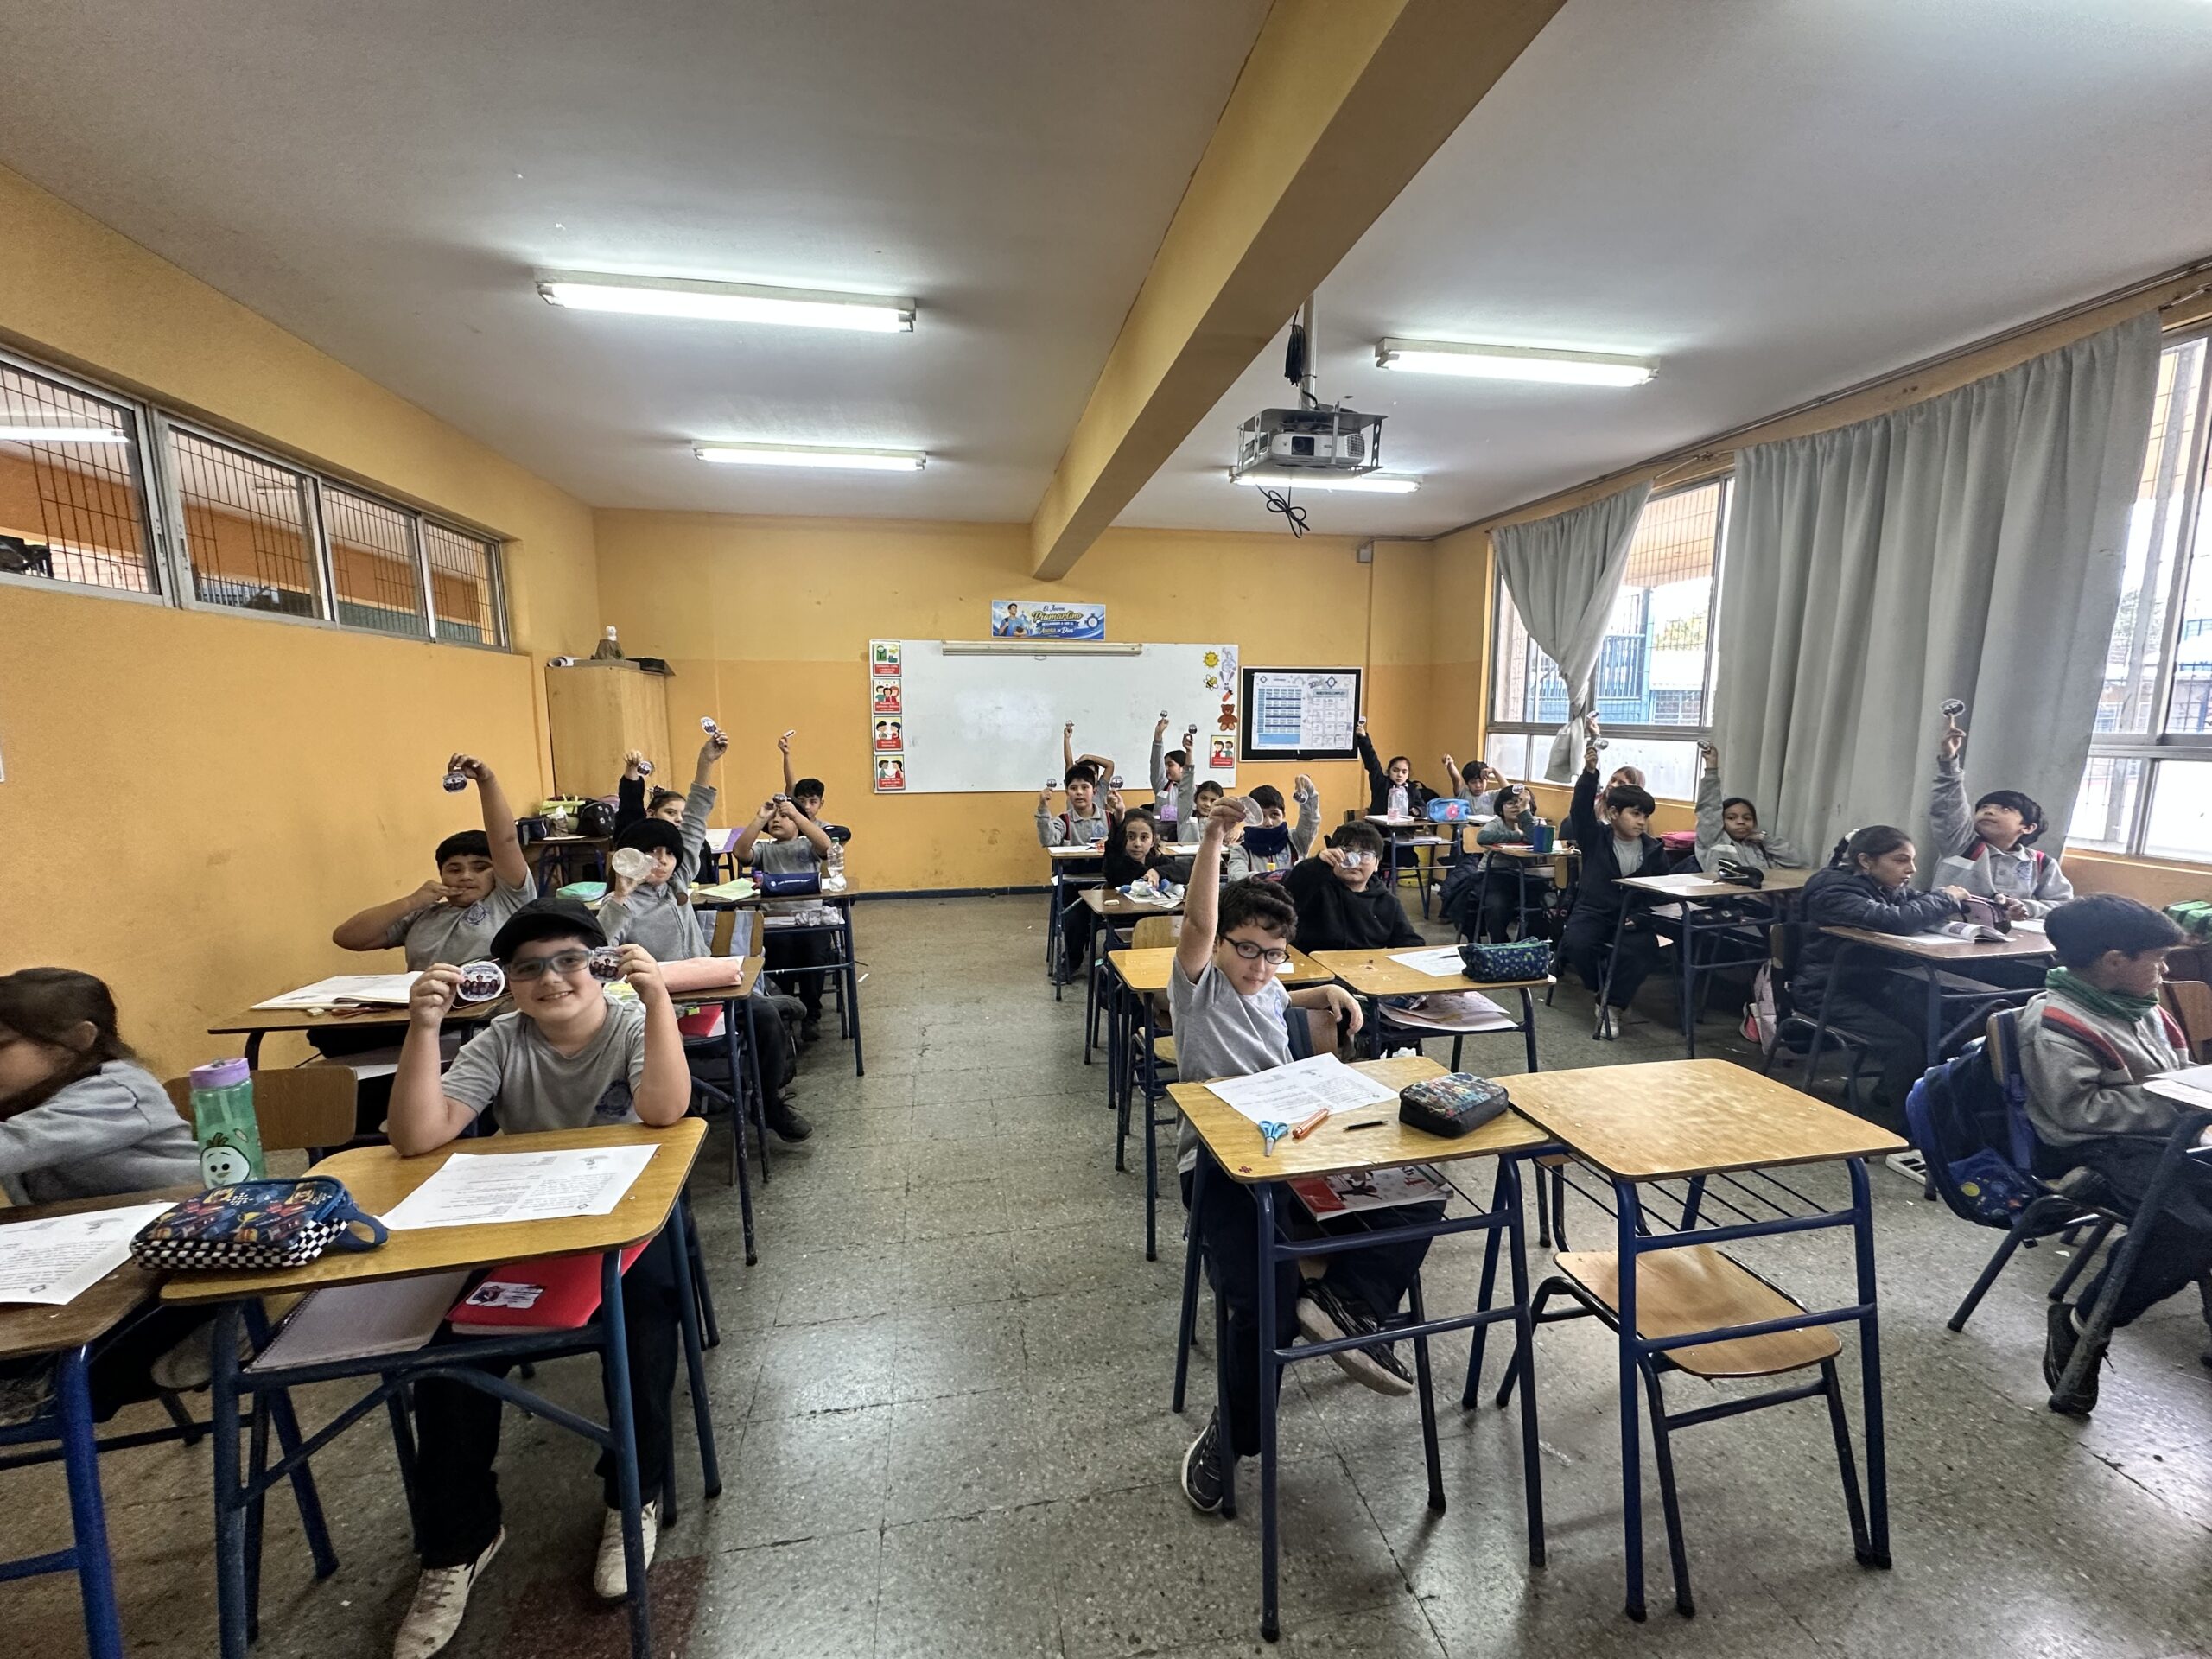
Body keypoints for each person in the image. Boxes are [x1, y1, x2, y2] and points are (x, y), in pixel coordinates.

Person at [385, 901, 690, 1653]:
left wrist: (657, 999)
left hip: (626, 1218)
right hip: (524, 1222)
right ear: (507, 984)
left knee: (645, 1320)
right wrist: (423, 1028)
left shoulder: (630, 1025)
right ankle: (459, 1540)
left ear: (602, 966)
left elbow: (663, 1112)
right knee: (447, 1351)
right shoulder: (500, 1040)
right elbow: (418, 1135)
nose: (552, 980)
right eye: (528, 969)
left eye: (570, 962)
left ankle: (633, 1493)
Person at [1171, 797, 1440, 1516]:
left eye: (1273, 953)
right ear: (1219, 946)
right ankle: (1233, 1437)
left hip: (1298, 1152)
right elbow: (1198, 923)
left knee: (1421, 1197)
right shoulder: (1198, 989)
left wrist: (1317, 988)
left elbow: (1273, 995)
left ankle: (1348, 1303)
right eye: (1245, 949)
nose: (1258, 966)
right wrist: (1213, 839)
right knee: (1265, 1301)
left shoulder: (1267, 986)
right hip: (1222, 1169)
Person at [2018, 895, 2207, 1415]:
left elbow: (2176, 1072)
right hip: (2086, 1147)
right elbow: (2077, 1110)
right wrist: (2179, 1104)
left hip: (2159, 1136)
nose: (2166, 971)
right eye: (2158, 959)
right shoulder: (2056, 1021)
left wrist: (2189, 1099)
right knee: (2184, 1228)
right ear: (2114, 961)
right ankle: (2082, 1325)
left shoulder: (2141, 1006)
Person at [0, 969, 212, 1425]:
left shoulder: (116, 1090)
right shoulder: (26, 1095)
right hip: (97, 1258)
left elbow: (13, 1145)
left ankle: (53, 1390)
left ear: (78, 1040)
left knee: (87, 1358)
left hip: (185, 1260)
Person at [601, 733, 807, 1141]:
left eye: (668, 854)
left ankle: (767, 1102)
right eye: (651, 854)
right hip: (656, 1007)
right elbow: (600, 953)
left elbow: (694, 824)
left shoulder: (677, 883)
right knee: (762, 1014)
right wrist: (621, 898)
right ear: (630, 858)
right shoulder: (618, 904)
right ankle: (727, 1103)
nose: (661, 862)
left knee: (764, 1015)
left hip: (707, 992)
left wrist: (705, 764)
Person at [1790, 825, 1975, 1126]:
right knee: (1906, 1045)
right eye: (1901, 860)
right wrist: (1944, 899)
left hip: (1869, 988)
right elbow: (1895, 920)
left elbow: (1916, 901)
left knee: (1940, 1030)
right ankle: (1903, 1123)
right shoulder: (1834, 892)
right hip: (1826, 992)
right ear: (1866, 861)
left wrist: (1986, 905)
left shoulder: (1881, 886)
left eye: (1912, 860)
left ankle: (1897, 1097)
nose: (1912, 869)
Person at [333, 753, 533, 969]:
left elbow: (506, 841)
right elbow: (346, 938)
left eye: (480, 867)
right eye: (454, 869)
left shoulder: (508, 901)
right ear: (441, 875)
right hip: (425, 991)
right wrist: (412, 902)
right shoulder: (423, 914)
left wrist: (486, 781)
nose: (466, 876)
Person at [1560, 741, 1665, 1039]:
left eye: (1645, 816)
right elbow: (1581, 810)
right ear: (1615, 813)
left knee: (1645, 950)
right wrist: (1590, 773)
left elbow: (1659, 892)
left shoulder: (1654, 850)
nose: (1641, 822)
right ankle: (1601, 992)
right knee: (1577, 944)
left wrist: (1642, 917)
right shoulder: (1596, 838)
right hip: (1593, 911)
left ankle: (1612, 1005)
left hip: (1632, 917)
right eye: (1635, 814)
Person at [1928, 713, 2075, 918]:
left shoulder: (2041, 863)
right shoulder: (1960, 845)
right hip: (1953, 930)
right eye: (1984, 807)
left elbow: (2064, 905)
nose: (1989, 811)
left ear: (2028, 827)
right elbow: (1949, 806)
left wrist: (2027, 908)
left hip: (2010, 935)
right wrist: (1949, 761)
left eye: (2005, 809)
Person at [736, 795, 837, 1041]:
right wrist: (760, 818)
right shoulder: (765, 849)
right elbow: (740, 852)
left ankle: (811, 1013)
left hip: (810, 920)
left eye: (784, 817)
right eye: (773, 818)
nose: (777, 820)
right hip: (775, 922)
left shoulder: (807, 846)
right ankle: (785, 1011)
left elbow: (826, 847)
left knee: (814, 957)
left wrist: (797, 815)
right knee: (778, 957)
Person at [1283, 821, 1421, 954]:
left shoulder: (1387, 902)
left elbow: (1408, 941)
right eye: (1346, 851)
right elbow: (1291, 894)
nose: (1354, 860)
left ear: (1376, 864)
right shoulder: (1315, 887)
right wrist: (1317, 863)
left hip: (1364, 966)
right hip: (1314, 965)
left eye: (1365, 854)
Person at [1694, 741, 1807, 874]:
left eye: (1747, 818)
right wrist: (1711, 768)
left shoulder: (1759, 846)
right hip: (1725, 887)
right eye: (1731, 818)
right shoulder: (1714, 841)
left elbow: (1796, 862)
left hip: (1759, 886)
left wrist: (1764, 840)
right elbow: (1709, 809)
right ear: (1720, 821)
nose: (1741, 822)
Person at [1224, 779, 1319, 881]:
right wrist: (1278, 877)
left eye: (1274, 814)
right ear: (1251, 818)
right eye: (1261, 816)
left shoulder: (1295, 840)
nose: (1268, 823)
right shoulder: (1241, 851)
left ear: (1283, 815)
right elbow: (1238, 879)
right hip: (1257, 893)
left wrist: (1308, 792)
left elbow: (1310, 820)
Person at [1355, 718, 1436, 821]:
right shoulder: (1381, 783)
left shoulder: (1412, 790)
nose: (1399, 775)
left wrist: (1418, 810)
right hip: (1380, 828)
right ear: (1389, 771)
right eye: (1395, 770)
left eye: (1404, 772)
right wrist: (1363, 738)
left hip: (1404, 829)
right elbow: (1372, 761)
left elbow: (1424, 808)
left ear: (1408, 774)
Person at [779, 731, 851, 842]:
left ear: (821, 804)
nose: (807, 807)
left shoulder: (825, 828)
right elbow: (790, 784)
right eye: (801, 801)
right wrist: (786, 754)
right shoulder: (789, 824)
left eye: (813, 802)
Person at [613, 751, 687, 839]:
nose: (679, 819)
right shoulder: (637, 837)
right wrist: (632, 768)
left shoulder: (691, 842)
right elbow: (631, 806)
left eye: (684, 816)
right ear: (651, 814)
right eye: (670, 813)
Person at [1148, 716, 1199, 835]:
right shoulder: (1162, 785)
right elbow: (1156, 763)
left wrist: (1189, 752)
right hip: (1161, 836)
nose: (1166, 769)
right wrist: (1158, 736)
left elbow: (1189, 773)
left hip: (1184, 836)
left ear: (1182, 768)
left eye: (1170, 765)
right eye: (1165, 765)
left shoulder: (1193, 790)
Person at [1103, 810, 1174, 891]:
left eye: (1144, 837)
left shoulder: (1157, 861)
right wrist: (1118, 820)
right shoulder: (1115, 863)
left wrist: (1158, 872)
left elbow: (1183, 869)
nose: (1137, 844)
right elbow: (1113, 847)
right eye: (1131, 837)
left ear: (1153, 841)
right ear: (1122, 838)